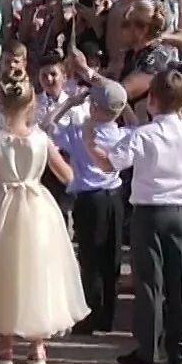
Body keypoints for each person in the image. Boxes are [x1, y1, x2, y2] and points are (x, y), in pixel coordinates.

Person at [0, 66, 88, 364]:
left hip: (2, 205)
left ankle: (6, 345)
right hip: (38, 206)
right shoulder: (42, 139)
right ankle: (38, 347)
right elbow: (68, 175)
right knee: (38, 270)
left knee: (4, 272)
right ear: (31, 106)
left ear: (1, 106)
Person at [103, 68, 182, 364]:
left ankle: (148, 347)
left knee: (150, 281)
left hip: (149, 211)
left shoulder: (145, 134)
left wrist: (89, 140)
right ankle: (179, 348)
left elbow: (112, 163)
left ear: (152, 100)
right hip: (181, 210)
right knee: (180, 280)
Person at [54, 75, 129, 335]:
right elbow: (139, 125)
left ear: (94, 107)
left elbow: (46, 126)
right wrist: (124, 106)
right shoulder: (123, 134)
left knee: (90, 257)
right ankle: (107, 314)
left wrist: (69, 104)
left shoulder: (78, 133)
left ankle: (90, 313)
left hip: (90, 198)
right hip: (115, 196)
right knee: (112, 257)